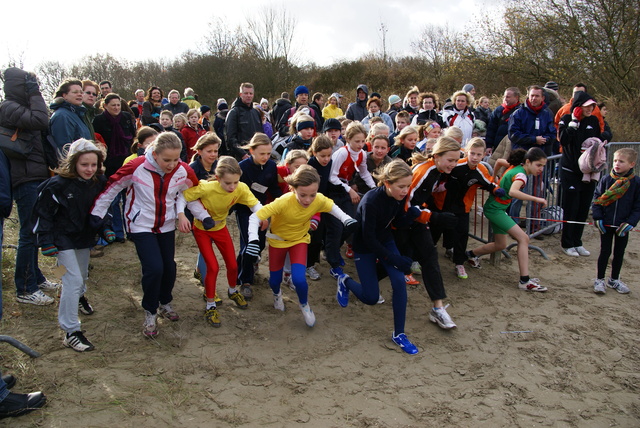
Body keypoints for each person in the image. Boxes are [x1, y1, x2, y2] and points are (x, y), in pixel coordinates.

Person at [91, 132, 206, 337]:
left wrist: (203, 216)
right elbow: (112, 187)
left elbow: (193, 195)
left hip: (166, 224)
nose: (171, 164)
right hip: (141, 225)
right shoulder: (137, 166)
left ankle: (165, 302)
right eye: (166, 160)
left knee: (169, 267)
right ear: (154, 153)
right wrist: (97, 215)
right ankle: (150, 311)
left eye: (176, 159)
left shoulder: (183, 170)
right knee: (154, 268)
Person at [247, 165, 356, 327]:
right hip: (278, 241)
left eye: (312, 194)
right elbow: (255, 217)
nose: (308, 200)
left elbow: (332, 207)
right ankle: (277, 295)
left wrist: (347, 219)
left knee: (299, 279)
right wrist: (253, 239)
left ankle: (304, 305)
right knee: (275, 280)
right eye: (302, 195)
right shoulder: (283, 201)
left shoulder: (318, 198)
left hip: (299, 241)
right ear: (292, 188)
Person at [33, 139, 115, 351]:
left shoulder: (99, 182)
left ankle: (78, 297)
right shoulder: (57, 185)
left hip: (84, 236)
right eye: (84, 164)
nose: (89, 169)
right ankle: (71, 331)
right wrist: (46, 240)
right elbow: (43, 214)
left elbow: (101, 207)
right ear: (73, 164)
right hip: (62, 238)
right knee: (72, 279)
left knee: (82, 276)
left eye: (93, 165)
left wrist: (105, 227)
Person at [336, 160, 422, 353]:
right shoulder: (371, 202)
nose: (405, 191)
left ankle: (399, 334)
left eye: (408, 186)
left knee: (399, 282)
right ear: (387, 183)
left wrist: (410, 216)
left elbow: (396, 222)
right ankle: (345, 281)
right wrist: (394, 259)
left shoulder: (399, 197)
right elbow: (369, 238)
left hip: (385, 239)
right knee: (370, 298)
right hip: (364, 245)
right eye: (401, 186)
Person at [0, 67, 58, 305]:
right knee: (28, 233)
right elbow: (40, 120)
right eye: (30, 85)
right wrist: (35, 93)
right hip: (24, 179)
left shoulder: (17, 106)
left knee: (35, 230)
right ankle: (25, 288)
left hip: (35, 175)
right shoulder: (8, 107)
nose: (35, 89)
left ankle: (36, 277)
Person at [184, 156, 264, 327]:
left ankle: (232, 291)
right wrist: (182, 215)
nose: (232, 187)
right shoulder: (206, 187)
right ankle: (210, 305)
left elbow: (255, 204)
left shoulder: (240, 188)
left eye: (236, 182)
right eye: (228, 183)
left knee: (233, 265)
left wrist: (263, 215)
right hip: (202, 230)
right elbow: (185, 197)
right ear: (218, 178)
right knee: (213, 266)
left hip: (220, 228)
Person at [396, 137, 460, 329]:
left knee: (430, 258)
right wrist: (434, 217)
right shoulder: (424, 171)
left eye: (456, 160)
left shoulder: (438, 171)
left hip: (416, 221)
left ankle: (438, 309)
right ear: (437, 156)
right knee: (396, 262)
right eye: (450, 160)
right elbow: (405, 204)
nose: (454, 164)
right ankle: (365, 287)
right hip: (398, 223)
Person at [466, 148, 549, 291]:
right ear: (528, 162)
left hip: (497, 208)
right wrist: (536, 199)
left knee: (500, 244)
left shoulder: (516, 166)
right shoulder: (521, 175)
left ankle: (470, 255)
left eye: (543, 166)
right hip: (495, 209)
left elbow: (499, 161)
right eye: (538, 165)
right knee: (523, 238)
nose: (541, 169)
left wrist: (494, 177)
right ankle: (524, 280)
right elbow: (513, 192)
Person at [431, 138, 504, 279]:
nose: (475, 158)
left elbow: (490, 183)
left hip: (463, 207)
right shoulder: (456, 165)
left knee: (462, 235)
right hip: (442, 205)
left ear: (484, 155)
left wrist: (497, 191)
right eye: (472, 153)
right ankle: (422, 257)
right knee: (434, 232)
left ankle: (459, 263)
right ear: (466, 152)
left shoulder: (480, 170)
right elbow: (438, 174)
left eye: (478, 154)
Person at [325, 122, 376, 278]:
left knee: (350, 224)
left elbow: (364, 173)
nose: (360, 145)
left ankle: (331, 250)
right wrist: (349, 190)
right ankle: (333, 261)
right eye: (357, 141)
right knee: (336, 228)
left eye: (362, 141)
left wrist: (375, 189)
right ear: (348, 139)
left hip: (345, 190)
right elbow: (331, 177)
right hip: (333, 191)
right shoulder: (342, 153)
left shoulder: (361, 154)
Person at [235, 133, 282, 300]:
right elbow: (240, 194)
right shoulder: (242, 168)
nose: (266, 157)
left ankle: (248, 264)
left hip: (263, 210)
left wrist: (283, 202)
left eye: (269, 153)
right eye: (262, 153)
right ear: (251, 150)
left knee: (260, 243)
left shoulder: (271, 166)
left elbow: (274, 188)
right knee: (249, 244)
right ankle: (245, 281)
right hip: (245, 210)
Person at [557, 92, 602, 256]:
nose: (590, 109)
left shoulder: (594, 120)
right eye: (587, 106)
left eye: (592, 106)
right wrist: (574, 123)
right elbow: (563, 140)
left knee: (583, 208)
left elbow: (598, 138)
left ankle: (577, 241)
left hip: (588, 172)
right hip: (570, 171)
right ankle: (567, 243)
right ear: (578, 106)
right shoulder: (567, 119)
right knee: (571, 208)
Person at [592, 148, 640, 294]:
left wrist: (631, 222)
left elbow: (638, 206)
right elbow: (597, 199)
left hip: (622, 225)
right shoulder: (606, 179)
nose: (617, 164)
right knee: (604, 251)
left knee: (619, 252)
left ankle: (614, 279)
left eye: (621, 161)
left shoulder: (636, 183)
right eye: (615, 161)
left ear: (632, 164)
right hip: (606, 224)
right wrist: (598, 217)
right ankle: (599, 279)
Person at [306, 135, 334, 281]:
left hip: (323, 204)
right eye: (322, 156)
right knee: (312, 236)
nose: (326, 159)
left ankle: (314, 260)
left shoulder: (330, 163)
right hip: (310, 205)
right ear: (314, 153)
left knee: (321, 235)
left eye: (329, 155)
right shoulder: (309, 165)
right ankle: (307, 264)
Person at [49, 78, 92, 154]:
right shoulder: (62, 116)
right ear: (64, 95)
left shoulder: (78, 115)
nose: (79, 94)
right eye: (75, 92)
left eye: (81, 92)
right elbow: (63, 149)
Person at [225, 83, 261, 160]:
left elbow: (261, 134)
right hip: (241, 156)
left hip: (257, 154)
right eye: (246, 93)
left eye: (251, 93)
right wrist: (242, 154)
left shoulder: (256, 112)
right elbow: (230, 138)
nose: (248, 95)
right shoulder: (234, 113)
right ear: (240, 94)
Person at [485, 87, 520, 154]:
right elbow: (491, 129)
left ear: (516, 98)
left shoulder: (521, 112)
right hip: (498, 146)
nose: (505, 99)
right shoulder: (498, 110)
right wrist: (488, 145)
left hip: (513, 147)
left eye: (508, 97)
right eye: (504, 97)